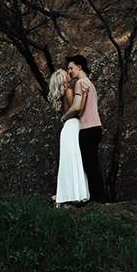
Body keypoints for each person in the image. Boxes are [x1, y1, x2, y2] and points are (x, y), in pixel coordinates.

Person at [65, 55, 107, 202]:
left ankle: (97, 198)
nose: (69, 71)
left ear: (79, 66)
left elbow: (77, 107)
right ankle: (101, 197)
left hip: (87, 128)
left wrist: (64, 117)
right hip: (96, 127)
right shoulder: (89, 83)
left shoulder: (80, 83)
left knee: (89, 165)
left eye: (71, 68)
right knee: (93, 164)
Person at [47, 69, 88, 208]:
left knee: (66, 163)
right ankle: (76, 195)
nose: (69, 73)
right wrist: (85, 94)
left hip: (66, 129)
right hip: (72, 126)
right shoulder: (69, 91)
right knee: (76, 160)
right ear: (63, 79)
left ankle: (66, 195)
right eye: (66, 73)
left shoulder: (60, 95)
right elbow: (78, 110)